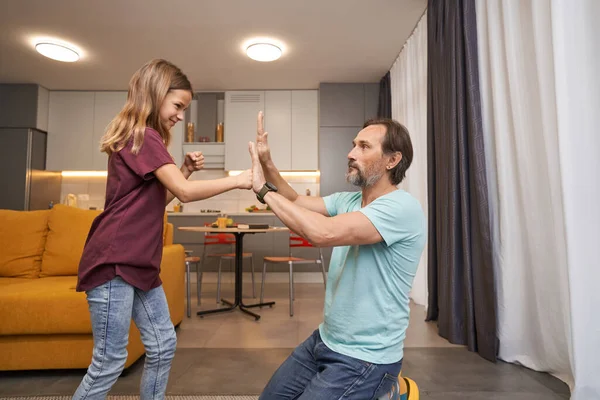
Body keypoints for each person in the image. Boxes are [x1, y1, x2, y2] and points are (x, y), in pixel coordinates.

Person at [72, 59, 251, 400]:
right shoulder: (142, 134)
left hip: (138, 262)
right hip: (115, 261)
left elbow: (159, 200)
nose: (181, 115)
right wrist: (238, 180)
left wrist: (183, 168)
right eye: (178, 105)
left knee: (163, 344)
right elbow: (183, 195)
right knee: (109, 361)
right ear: (155, 95)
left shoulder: (144, 139)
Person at [248, 111, 426, 400]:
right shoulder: (349, 200)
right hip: (324, 340)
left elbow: (323, 234)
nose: (351, 153)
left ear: (392, 160)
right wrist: (267, 161)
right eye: (354, 144)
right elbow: (294, 200)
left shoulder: (401, 208)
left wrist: (262, 191)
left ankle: (390, 390)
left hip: (366, 358)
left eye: (364, 147)